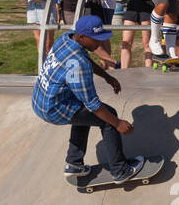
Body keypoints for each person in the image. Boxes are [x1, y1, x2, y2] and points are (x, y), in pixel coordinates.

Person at [32, 14, 144, 182]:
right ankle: (120, 170)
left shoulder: (67, 38)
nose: (99, 43)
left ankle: (74, 163)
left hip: (40, 99)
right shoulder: (78, 65)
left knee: (83, 115)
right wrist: (118, 123)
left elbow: (85, 58)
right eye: (96, 40)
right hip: (54, 109)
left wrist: (106, 76)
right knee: (108, 116)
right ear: (83, 37)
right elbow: (94, 105)